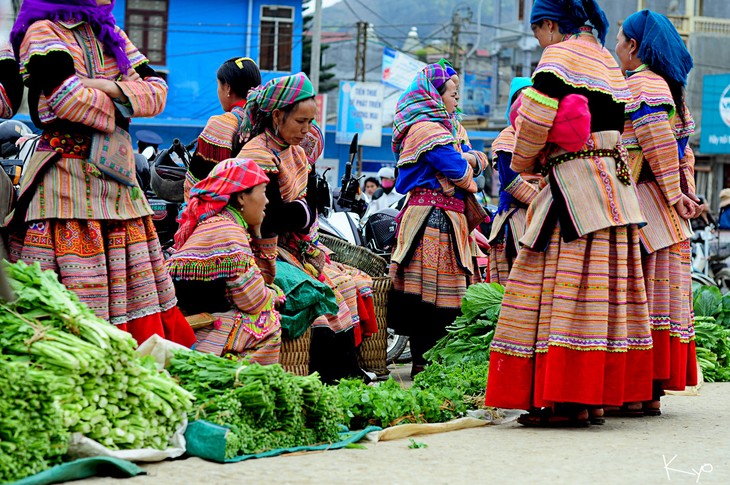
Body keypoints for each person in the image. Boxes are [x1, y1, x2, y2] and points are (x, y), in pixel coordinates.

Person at [484, 0, 653, 427]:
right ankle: (594, 399)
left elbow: (535, 121)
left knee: (559, 288)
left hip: (573, 188)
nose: (538, 41)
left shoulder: (558, 57)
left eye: (537, 31)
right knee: (602, 293)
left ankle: (566, 401)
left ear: (549, 25)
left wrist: (525, 159)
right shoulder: (608, 61)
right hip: (614, 188)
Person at [7, 0, 195, 348]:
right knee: (69, 308)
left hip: (120, 187)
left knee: (137, 298)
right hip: (66, 184)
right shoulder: (43, 31)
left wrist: (107, 88)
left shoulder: (111, 34)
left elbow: (158, 92)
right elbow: (66, 99)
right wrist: (125, 101)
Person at [237, 72, 373, 382]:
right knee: (321, 293)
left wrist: (301, 216)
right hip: (260, 249)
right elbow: (270, 218)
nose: (307, 130)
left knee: (344, 287)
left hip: (293, 245)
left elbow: (304, 209)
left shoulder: (297, 153)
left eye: (311, 122)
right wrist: (301, 213)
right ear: (277, 116)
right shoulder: (257, 154)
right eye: (301, 121)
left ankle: (346, 376)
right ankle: (329, 379)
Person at [615, 9, 699, 416]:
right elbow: (685, 154)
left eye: (619, 39)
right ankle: (648, 394)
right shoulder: (672, 90)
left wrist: (672, 192)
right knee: (658, 303)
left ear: (633, 45)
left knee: (637, 302)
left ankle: (633, 393)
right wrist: (685, 193)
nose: (615, 48)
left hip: (644, 206)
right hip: (669, 215)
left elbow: (657, 146)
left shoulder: (642, 86)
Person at [388, 63, 487, 377]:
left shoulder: (451, 129)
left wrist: (467, 161)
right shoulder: (424, 129)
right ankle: (422, 362)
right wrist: (470, 162)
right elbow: (461, 172)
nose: (457, 100)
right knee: (426, 298)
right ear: (434, 95)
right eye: (453, 93)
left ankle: (435, 363)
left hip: (451, 220)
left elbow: (468, 164)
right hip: (431, 221)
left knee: (449, 297)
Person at [166, 158, 284, 363]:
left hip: (204, 312)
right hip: (202, 322)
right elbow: (253, 301)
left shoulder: (224, 224)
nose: (266, 201)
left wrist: (257, 234)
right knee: (268, 321)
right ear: (241, 197)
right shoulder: (228, 231)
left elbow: (259, 280)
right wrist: (273, 296)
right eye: (263, 192)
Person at [184, 57, 261, 200]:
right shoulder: (266, 119)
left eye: (218, 85)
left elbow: (196, 183)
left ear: (228, 88)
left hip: (228, 215)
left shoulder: (222, 125)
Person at [488, 77, 540, 284]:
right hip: (517, 212)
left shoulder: (542, 136)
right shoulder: (507, 138)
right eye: (521, 100)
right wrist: (544, 200)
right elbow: (511, 182)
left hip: (542, 208)